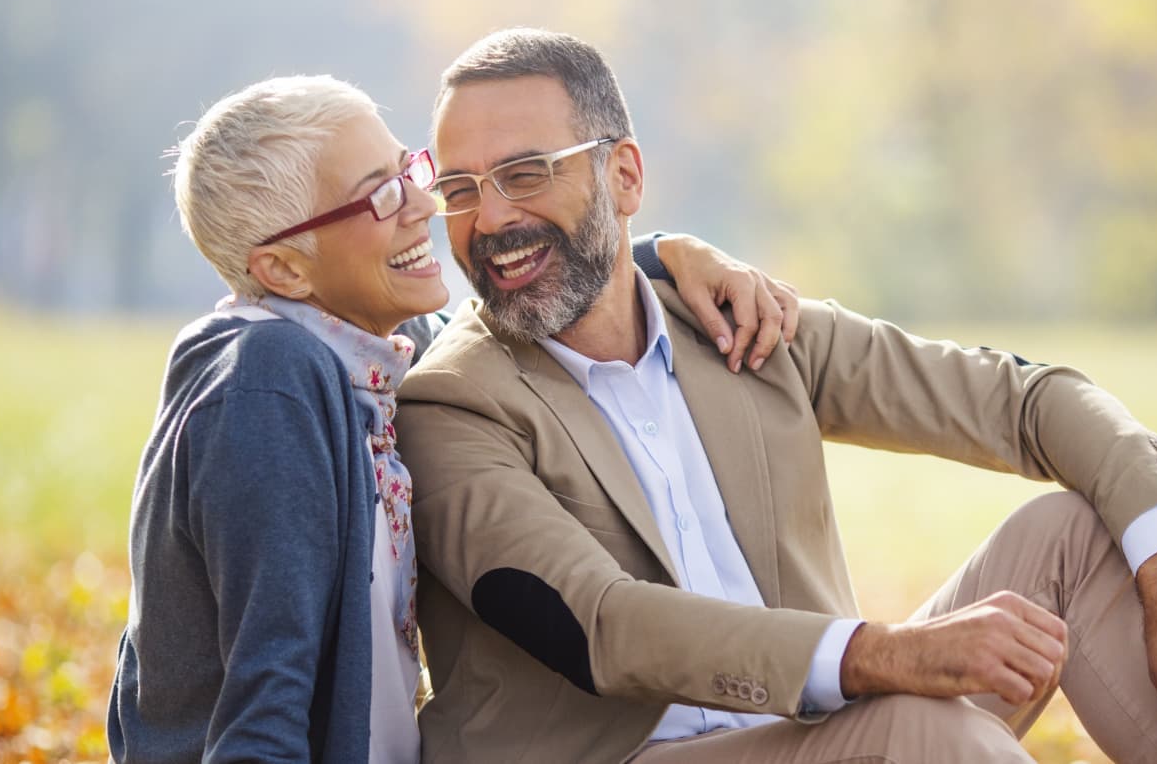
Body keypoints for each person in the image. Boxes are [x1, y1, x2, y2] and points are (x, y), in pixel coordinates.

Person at [396, 28, 1157, 764]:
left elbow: (1025, 402)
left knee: (1083, 535)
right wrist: (884, 657)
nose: (491, 218)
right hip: (634, 756)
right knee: (920, 726)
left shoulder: (742, 320)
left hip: (817, 732)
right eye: (460, 190)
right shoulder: (451, 406)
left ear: (624, 176)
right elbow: (603, 626)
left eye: (526, 173)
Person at [104, 73, 800, 762]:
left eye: (407, 170)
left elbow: (528, 307)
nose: (425, 205)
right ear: (284, 271)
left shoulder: (384, 360)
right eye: (378, 195)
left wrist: (666, 255)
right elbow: (266, 703)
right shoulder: (268, 383)